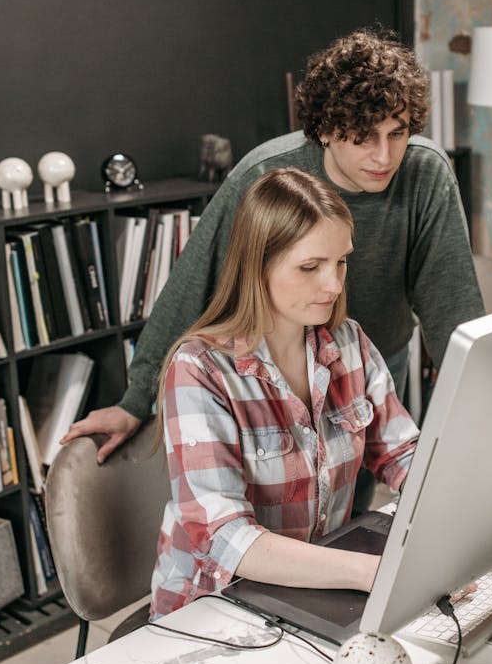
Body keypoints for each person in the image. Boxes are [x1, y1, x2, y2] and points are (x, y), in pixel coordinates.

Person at [62, 28, 484, 501]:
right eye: (364, 138)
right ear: (326, 128)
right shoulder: (266, 176)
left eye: (398, 133)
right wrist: (136, 400)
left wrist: (482, 418)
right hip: (273, 369)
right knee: (281, 510)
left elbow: (453, 307)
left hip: (372, 359)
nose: (384, 156)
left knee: (349, 507)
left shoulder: (425, 173)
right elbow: (191, 284)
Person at [150, 169, 419, 616]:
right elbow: (225, 537)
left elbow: (401, 452)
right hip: (215, 606)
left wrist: (452, 517)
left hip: (310, 590)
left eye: (341, 262)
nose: (333, 285)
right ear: (257, 265)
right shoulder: (198, 368)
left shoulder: (349, 342)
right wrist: (373, 572)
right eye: (310, 267)